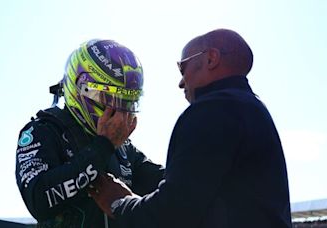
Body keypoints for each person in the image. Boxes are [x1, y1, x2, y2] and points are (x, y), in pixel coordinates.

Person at [90, 29, 292, 228]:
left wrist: (119, 203)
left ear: (211, 59)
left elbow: (171, 215)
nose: (180, 82)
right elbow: (197, 186)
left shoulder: (211, 109)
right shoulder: (251, 108)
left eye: (182, 68)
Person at [15, 39, 164, 228]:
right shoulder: (42, 131)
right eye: (110, 98)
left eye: (127, 102)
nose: (120, 113)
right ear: (81, 89)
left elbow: (169, 184)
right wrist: (103, 146)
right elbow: (38, 201)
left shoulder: (124, 149)